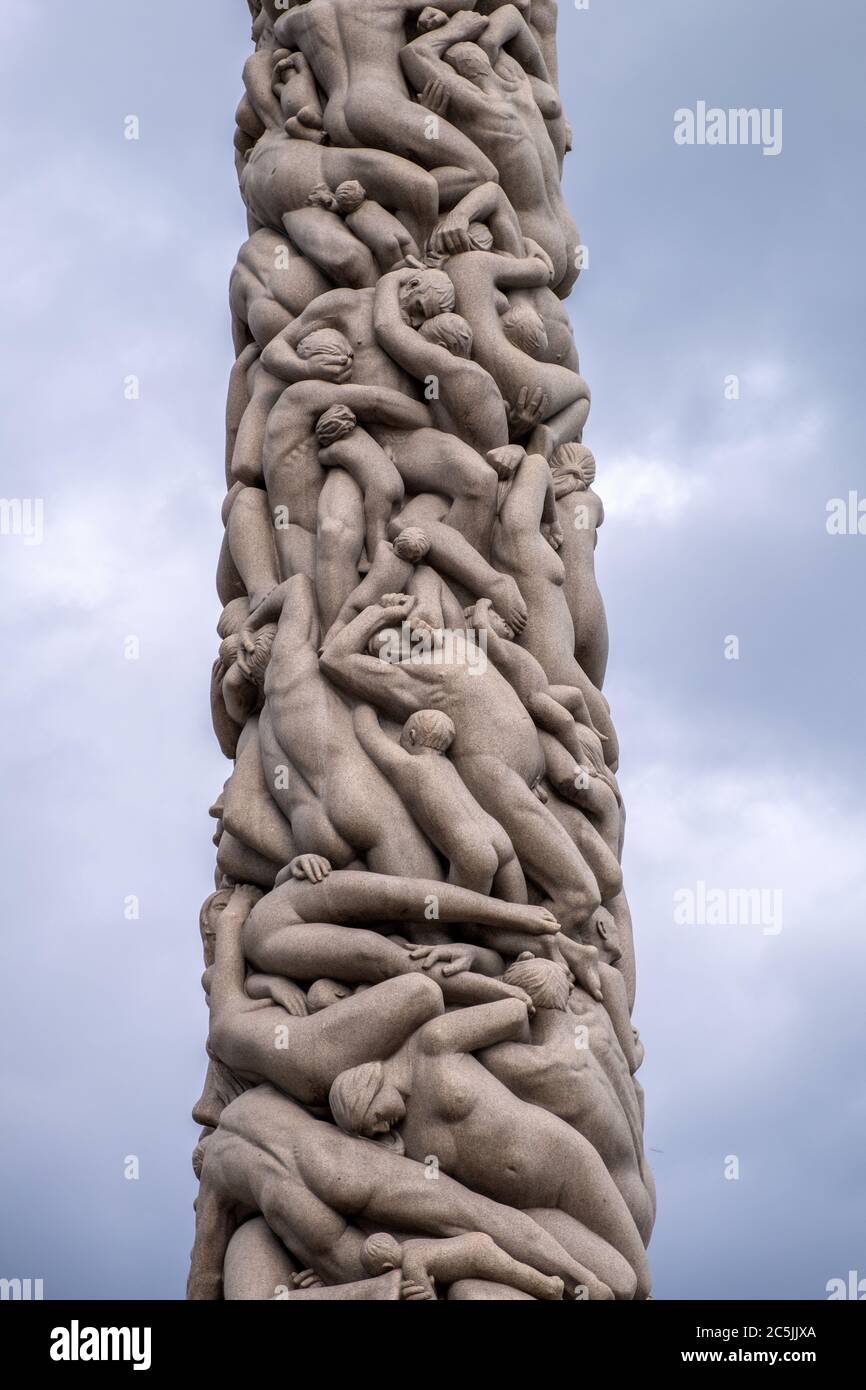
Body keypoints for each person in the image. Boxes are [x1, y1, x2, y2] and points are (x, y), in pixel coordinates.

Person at [329, 995, 650, 1298]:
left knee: (640, 1281)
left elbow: (515, 1014)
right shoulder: (404, 1138)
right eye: (374, 1132)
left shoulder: (433, 1043)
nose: (382, 1128)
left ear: (368, 1088)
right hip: (529, 1211)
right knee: (619, 1285)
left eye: (375, 1119)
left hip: (565, 1166)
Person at [320, 592, 604, 932]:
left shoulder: (458, 643)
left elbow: (435, 588)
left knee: (605, 878)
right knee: (581, 895)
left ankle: (517, 947)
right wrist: (379, 613)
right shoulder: (410, 677)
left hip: (529, 784)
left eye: (403, 627)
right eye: (384, 641)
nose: (401, 634)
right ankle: (516, 960)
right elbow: (334, 658)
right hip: (497, 783)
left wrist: (413, 609)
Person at [188, 1084, 613, 1299]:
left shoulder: (216, 1180)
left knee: (355, 1257)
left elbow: (205, 1276)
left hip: (302, 1211)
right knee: (476, 1211)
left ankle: (397, 1285)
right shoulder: (262, 1097)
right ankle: (587, 1280)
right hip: (338, 1159)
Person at [402, 7, 581, 291]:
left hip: (532, 237)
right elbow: (511, 13)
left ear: (462, 76)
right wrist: (488, 38)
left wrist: (456, 28)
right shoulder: (532, 93)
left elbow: (414, 54)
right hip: (567, 237)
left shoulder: (484, 109)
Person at [478, 956, 655, 1241]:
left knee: (508, 1223)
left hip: (617, 1211)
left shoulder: (541, 1065)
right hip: (643, 1194)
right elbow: (637, 1090)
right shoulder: (597, 1035)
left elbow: (448, 1044)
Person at [273, 0, 502, 205]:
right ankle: (381, 197)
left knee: (411, 165)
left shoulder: (296, 19)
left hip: (336, 120)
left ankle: (365, 196)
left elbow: (276, 28)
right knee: (481, 173)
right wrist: (448, 26)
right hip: (382, 105)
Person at [353, 704, 527, 898]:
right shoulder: (448, 765)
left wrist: (366, 703)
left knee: (463, 926)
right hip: (500, 837)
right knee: (522, 919)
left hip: (472, 850)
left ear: (411, 736)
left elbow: (366, 731)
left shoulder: (408, 766)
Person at [361, 1229, 563, 1301]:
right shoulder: (408, 1246)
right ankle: (548, 1284)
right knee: (512, 1268)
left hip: (475, 1255)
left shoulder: (411, 1264)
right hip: (473, 1243)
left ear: (387, 1267)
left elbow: (427, 1296)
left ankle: (550, 1288)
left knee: (511, 1271)